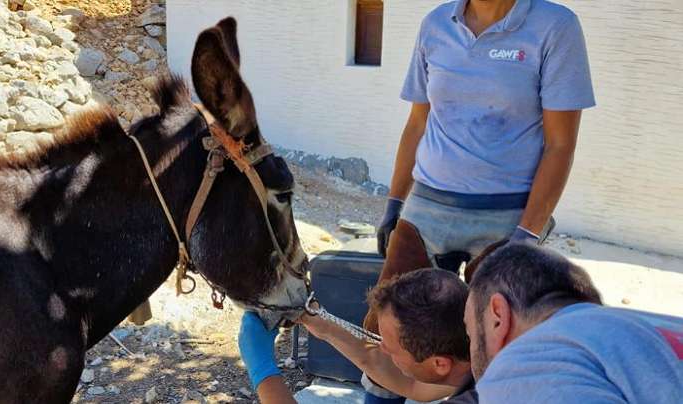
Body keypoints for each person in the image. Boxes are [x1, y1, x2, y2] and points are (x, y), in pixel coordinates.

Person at [368, 1, 595, 399]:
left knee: (493, 347)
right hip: (427, 205)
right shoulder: (437, 24)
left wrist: (527, 234)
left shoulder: (555, 27)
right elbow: (418, 123)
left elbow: (560, 146)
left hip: (505, 215)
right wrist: (394, 202)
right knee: (386, 328)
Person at [464, 243, 683, 404]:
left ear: (497, 317)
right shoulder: (654, 324)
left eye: (470, 333)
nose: (471, 348)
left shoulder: (524, 368)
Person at [238, 269, 479, 404]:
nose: (381, 348)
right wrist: (323, 326)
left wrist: (264, 372)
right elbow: (411, 383)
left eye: (392, 349)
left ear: (440, 364)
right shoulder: (476, 356)